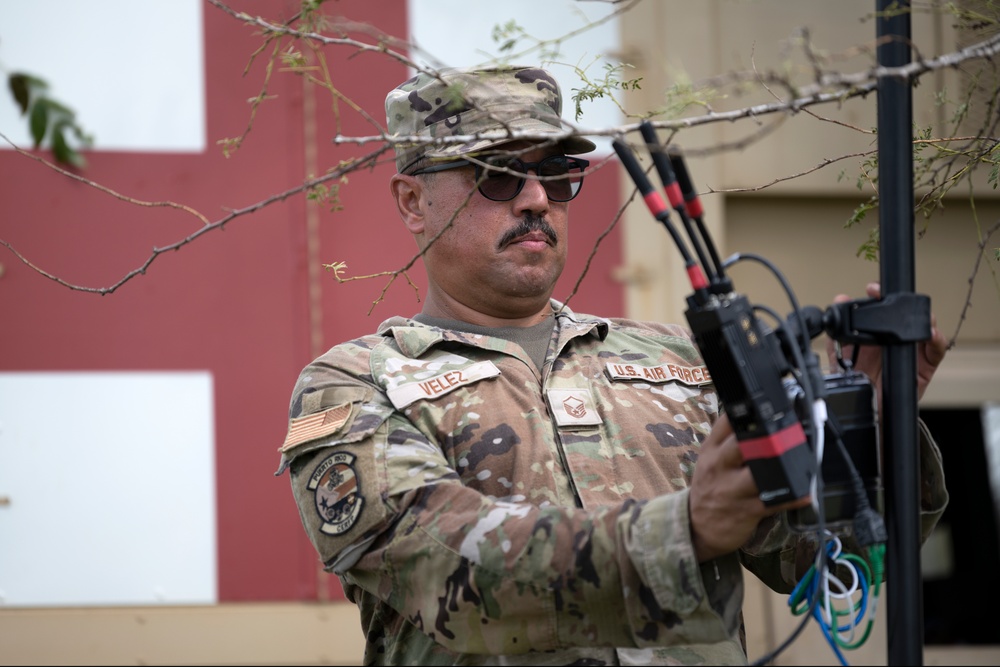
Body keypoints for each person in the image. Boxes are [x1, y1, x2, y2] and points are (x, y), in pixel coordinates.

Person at [275, 65, 949, 665]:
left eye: (557, 174)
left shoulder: (682, 361)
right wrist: (683, 529)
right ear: (413, 201)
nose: (537, 198)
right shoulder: (357, 383)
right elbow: (453, 574)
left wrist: (874, 427)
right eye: (499, 173)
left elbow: (823, 560)